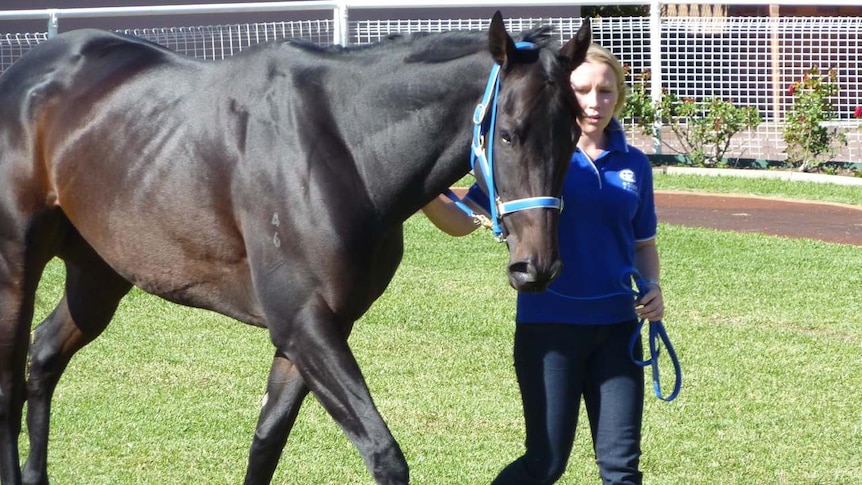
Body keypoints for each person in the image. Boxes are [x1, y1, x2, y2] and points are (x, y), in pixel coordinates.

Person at [422, 43, 664, 485]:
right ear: (563, 93)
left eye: (606, 91)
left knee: (621, 469)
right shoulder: (534, 153)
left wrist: (652, 286)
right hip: (549, 328)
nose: (595, 103)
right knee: (545, 464)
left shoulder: (634, 165)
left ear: (619, 96)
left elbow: (643, 244)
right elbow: (463, 222)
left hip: (618, 331)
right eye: (584, 91)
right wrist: (423, 189)